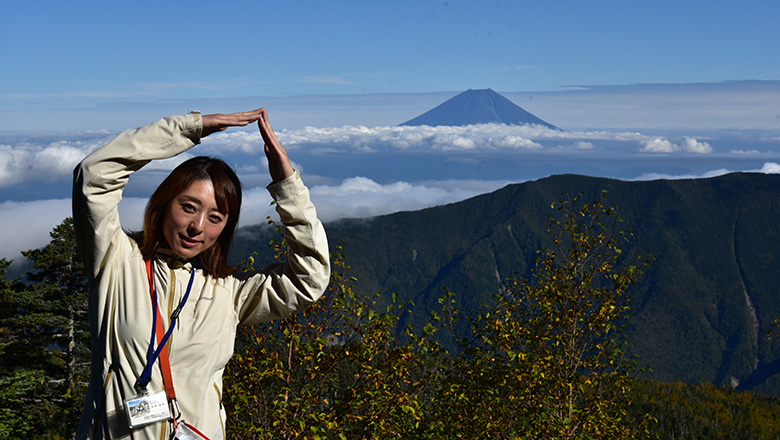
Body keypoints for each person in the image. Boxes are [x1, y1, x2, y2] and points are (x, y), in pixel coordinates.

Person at [72, 108, 330, 439]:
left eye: (215, 217)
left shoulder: (229, 294)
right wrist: (191, 127)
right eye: (189, 207)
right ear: (164, 204)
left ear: (225, 228)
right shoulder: (117, 263)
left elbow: (309, 278)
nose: (197, 227)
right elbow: (94, 174)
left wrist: (288, 186)